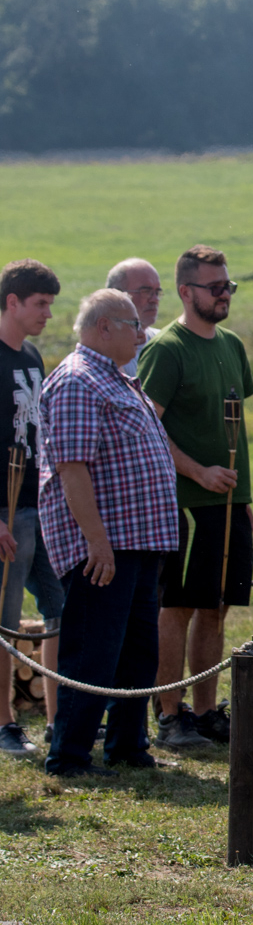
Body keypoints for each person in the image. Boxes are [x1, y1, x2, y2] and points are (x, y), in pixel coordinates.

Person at [40, 290, 177, 777]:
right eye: (132, 325)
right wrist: (96, 541)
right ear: (104, 328)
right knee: (93, 651)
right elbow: (72, 468)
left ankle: (127, 744)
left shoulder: (116, 379)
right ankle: (70, 756)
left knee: (137, 652)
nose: (142, 335)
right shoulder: (79, 381)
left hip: (137, 543)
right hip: (106, 545)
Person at [138, 244, 253, 751]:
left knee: (217, 607)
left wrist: (242, 496)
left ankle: (206, 712)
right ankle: (170, 713)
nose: (224, 293)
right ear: (186, 292)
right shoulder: (166, 349)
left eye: (228, 285)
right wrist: (196, 471)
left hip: (230, 503)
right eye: (215, 287)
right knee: (179, 606)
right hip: (185, 500)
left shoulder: (231, 344)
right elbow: (147, 425)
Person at [0, 260, 63, 757]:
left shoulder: (34, 356)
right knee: (4, 619)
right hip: (5, 511)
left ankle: (58, 717)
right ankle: (4, 723)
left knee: (60, 608)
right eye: (39, 304)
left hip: (38, 505)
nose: (46, 313)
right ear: (12, 302)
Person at [106, 258, 163, 379]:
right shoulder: (105, 351)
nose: (154, 299)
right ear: (118, 294)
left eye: (157, 292)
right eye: (146, 291)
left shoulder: (163, 342)